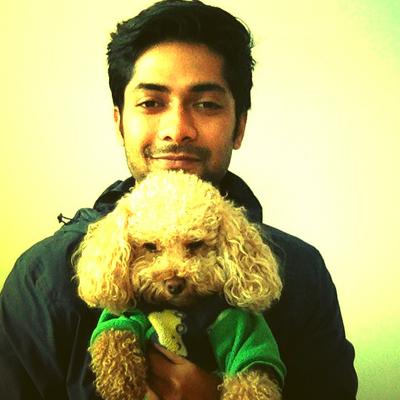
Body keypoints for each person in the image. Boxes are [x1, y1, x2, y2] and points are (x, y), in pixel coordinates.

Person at [0, 0, 357, 399]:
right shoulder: (42, 278)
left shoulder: (304, 274)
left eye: (206, 104)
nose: (177, 128)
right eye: (151, 103)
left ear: (239, 126)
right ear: (119, 123)